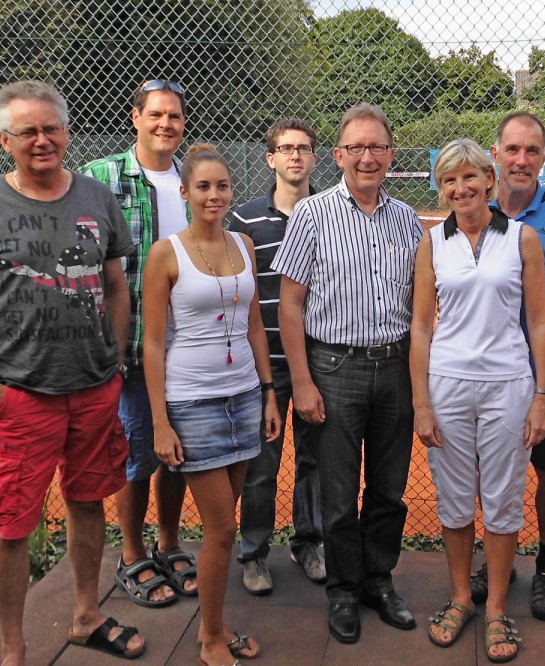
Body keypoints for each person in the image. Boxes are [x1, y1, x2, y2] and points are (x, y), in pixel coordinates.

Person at [0, 80, 143, 664]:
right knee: (13, 523)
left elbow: (115, 284)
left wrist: (115, 354)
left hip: (94, 388)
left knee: (88, 501)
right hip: (21, 395)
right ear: (5, 140)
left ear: (67, 132)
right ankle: (12, 645)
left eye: (51, 127)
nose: (42, 140)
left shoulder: (98, 199)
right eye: (27, 131)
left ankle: (85, 614)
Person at [272, 103, 423, 644]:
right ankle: (342, 589)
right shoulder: (312, 214)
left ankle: (377, 581)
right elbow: (290, 305)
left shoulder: (407, 218)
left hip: (396, 366)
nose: (366, 156)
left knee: (389, 487)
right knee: (336, 491)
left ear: (391, 154)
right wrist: (304, 380)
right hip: (333, 367)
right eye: (355, 147)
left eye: (376, 147)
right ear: (337, 155)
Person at [410, 138, 545, 663]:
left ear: (489, 180)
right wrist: (421, 401)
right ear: (440, 187)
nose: (461, 188)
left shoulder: (522, 238)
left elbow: (538, 321)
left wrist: (543, 392)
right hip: (446, 385)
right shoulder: (432, 243)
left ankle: (495, 607)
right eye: (449, 180)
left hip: (509, 386)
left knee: (502, 499)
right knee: (452, 499)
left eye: (470, 177)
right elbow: (422, 326)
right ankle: (460, 598)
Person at [143, 143, 281, 665]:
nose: (214, 195)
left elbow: (252, 325)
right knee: (223, 528)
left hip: (244, 396)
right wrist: (161, 420)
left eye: (222, 186)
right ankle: (210, 638)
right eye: (203, 186)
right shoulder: (167, 254)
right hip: (191, 401)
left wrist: (268, 392)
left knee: (227, 527)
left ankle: (216, 628)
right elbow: (153, 343)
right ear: (185, 193)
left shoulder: (244, 244)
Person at [81, 78, 198, 609]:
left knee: (178, 453)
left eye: (174, 116)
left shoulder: (189, 181)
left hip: (186, 348)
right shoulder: (101, 178)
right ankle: (131, 554)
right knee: (136, 454)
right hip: (130, 350)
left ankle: (168, 542)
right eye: (155, 115)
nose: (165, 124)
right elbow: (83, 270)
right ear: (135, 117)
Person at [471, 112, 545, 622]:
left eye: (533, 151)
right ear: (495, 153)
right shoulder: (471, 209)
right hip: (489, 375)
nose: (522, 160)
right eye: (513, 149)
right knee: (488, 473)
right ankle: (497, 562)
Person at [229, 119, 325, 595]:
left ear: (314, 157)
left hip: (319, 361)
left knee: (316, 461)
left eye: (303, 148)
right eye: (285, 149)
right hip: (264, 366)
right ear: (270, 158)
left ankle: (309, 543)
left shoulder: (332, 214)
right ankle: (254, 553)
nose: (295, 156)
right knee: (261, 466)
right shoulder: (244, 221)